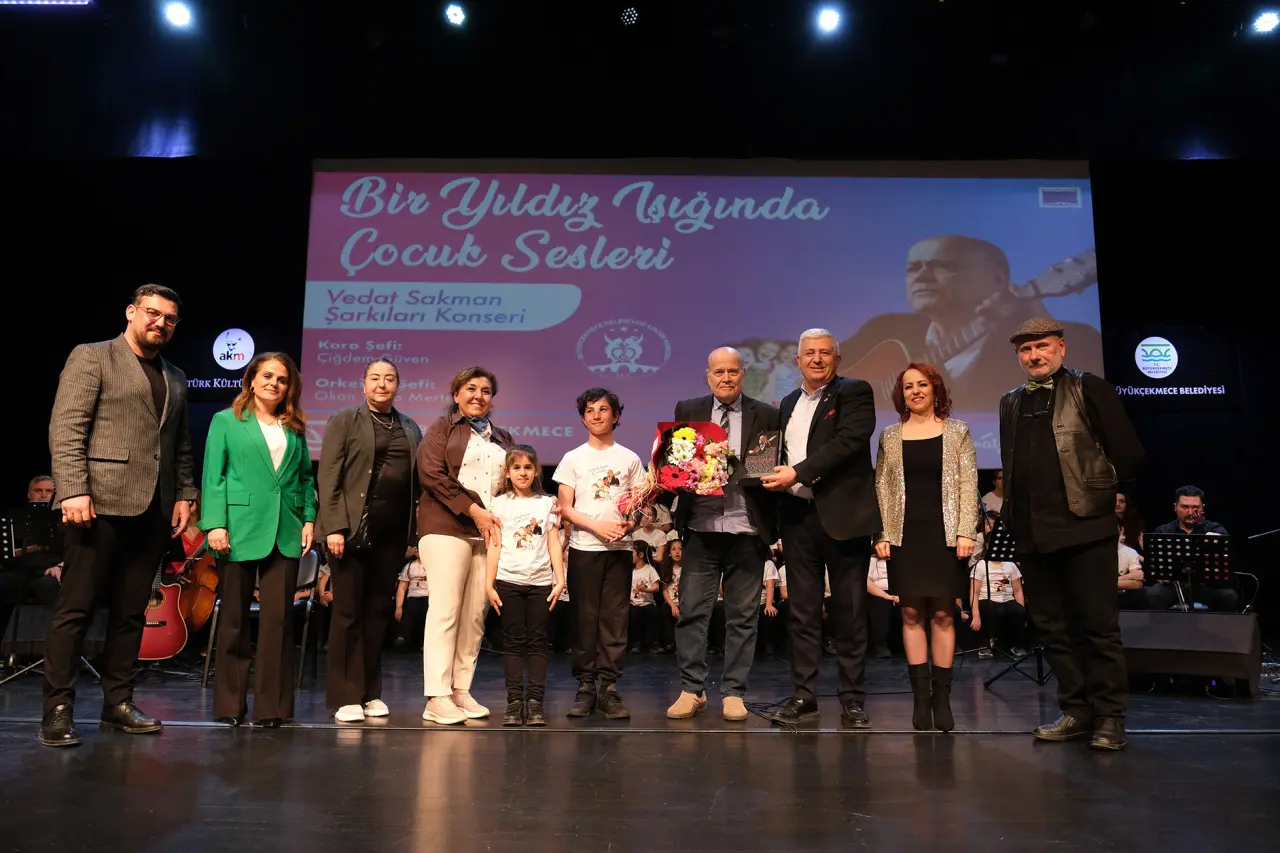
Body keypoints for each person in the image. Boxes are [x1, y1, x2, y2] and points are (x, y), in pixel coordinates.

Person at [41, 284, 198, 748]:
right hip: (96, 505)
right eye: (152, 313)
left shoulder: (175, 375)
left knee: (131, 613)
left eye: (169, 318)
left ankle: (118, 704)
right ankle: (57, 710)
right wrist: (73, 489)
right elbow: (67, 427)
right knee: (75, 610)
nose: (160, 323)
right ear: (131, 312)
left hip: (152, 508)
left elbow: (180, 445)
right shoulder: (93, 356)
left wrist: (185, 493)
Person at [999, 317, 1144, 751]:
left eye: (1042, 346)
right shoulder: (1010, 401)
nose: (1034, 356)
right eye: (1026, 350)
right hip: (1033, 533)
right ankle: (1077, 711)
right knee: (1054, 629)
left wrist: (1101, 491)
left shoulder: (1087, 387)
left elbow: (1128, 453)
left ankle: (1110, 716)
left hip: (1085, 526)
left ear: (1061, 347)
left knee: (1098, 627)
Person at [760, 329, 881, 727]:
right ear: (797, 361)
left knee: (850, 612)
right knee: (803, 613)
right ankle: (804, 696)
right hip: (798, 519)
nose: (816, 359)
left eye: (824, 353)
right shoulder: (788, 402)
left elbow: (848, 441)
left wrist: (797, 472)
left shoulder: (854, 391)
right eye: (809, 353)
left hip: (844, 518)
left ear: (837, 359)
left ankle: (852, 699)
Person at [838, 236, 1104, 412]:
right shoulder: (885, 329)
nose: (922, 276)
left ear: (998, 281)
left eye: (943, 266)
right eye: (913, 268)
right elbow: (826, 373)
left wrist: (1031, 313)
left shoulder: (1075, 339)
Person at [665, 347, 780, 722]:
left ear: (743, 374)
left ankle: (733, 693)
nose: (726, 378)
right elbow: (678, 464)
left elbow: (766, 470)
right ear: (708, 375)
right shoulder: (689, 409)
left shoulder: (767, 413)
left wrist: (732, 463)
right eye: (719, 372)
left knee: (743, 617)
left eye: (733, 371)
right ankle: (692, 690)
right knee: (692, 614)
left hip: (747, 528)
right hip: (701, 528)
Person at [201, 352, 316, 727]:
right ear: (251, 379)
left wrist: (309, 518)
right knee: (234, 621)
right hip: (238, 529)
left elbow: (305, 479)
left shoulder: (295, 427)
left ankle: (273, 708)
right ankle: (230, 705)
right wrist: (215, 524)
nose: (274, 384)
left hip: (285, 530)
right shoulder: (226, 421)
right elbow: (213, 477)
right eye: (267, 376)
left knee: (278, 625)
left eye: (282, 379)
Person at [873, 363, 980, 732]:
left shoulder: (957, 431)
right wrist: (882, 535)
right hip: (905, 535)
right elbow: (881, 488)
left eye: (922, 384)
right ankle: (920, 698)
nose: (915, 391)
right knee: (910, 613)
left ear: (935, 389)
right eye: (908, 386)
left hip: (945, 534)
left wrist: (966, 531)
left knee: (944, 614)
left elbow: (968, 484)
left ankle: (942, 698)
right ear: (901, 394)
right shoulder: (889, 436)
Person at [317, 358, 423, 724]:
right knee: (347, 611)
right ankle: (346, 695)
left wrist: (414, 533)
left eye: (389, 378)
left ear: (398, 386)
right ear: (363, 385)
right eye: (375, 378)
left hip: (390, 535)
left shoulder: (409, 427)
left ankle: (370, 692)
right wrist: (333, 526)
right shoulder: (345, 420)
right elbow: (329, 476)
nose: (382, 384)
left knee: (378, 612)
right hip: (349, 533)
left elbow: (416, 484)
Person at [416, 366, 513, 725]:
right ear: (456, 394)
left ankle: (460, 690)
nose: (478, 396)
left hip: (487, 533)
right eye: (470, 389)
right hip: (446, 527)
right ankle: (437, 695)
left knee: (474, 615)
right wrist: (474, 511)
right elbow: (431, 474)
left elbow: (512, 483)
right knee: (446, 611)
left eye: (485, 391)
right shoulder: (442, 428)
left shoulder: (503, 437)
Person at [554, 388, 644, 720]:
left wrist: (630, 525)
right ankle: (585, 686)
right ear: (583, 418)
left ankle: (609, 687)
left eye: (603, 409)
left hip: (618, 550)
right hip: (584, 548)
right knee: (584, 618)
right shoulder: (573, 458)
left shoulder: (630, 458)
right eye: (590, 410)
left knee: (615, 620)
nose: (596, 415)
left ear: (616, 416)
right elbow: (565, 508)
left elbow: (639, 506)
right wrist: (596, 526)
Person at [484, 445, 565, 728]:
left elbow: (553, 543)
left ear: (536, 471)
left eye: (528, 467)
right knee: (513, 643)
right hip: (508, 581)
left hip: (540, 583)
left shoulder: (547, 503)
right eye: (516, 467)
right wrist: (489, 584)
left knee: (538, 643)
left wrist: (560, 578)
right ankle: (514, 702)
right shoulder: (498, 504)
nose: (522, 472)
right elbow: (494, 545)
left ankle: (535, 703)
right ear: (507, 473)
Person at [1147, 485, 1238, 612]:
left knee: (1228, 597)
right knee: (1152, 595)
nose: (1190, 512)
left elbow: (1224, 550)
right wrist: (1159, 575)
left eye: (1196, 508)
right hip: (1174, 586)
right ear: (1175, 507)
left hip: (1205, 586)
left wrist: (1217, 540)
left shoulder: (1214, 528)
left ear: (1202, 508)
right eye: (1185, 507)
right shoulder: (1163, 531)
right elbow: (1154, 567)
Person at [1, 476, 63, 643]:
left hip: (51, 570)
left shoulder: (64, 517)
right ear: (29, 494)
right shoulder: (15, 516)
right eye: (38, 491)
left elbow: (73, 549)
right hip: (20, 569)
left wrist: (60, 565)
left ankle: (44, 645)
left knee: (47, 586)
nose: (43, 495)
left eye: (48, 491)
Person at [968, 513, 1028, 653]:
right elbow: (974, 592)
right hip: (987, 599)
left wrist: (1022, 610)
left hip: (1007, 599)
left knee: (1017, 611)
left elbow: (1018, 590)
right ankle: (987, 643)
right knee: (996, 610)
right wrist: (975, 616)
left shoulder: (1010, 565)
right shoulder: (981, 565)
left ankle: (1016, 645)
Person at [628, 542, 661, 655]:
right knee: (633, 615)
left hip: (647, 603)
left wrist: (645, 589)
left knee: (652, 614)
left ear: (641, 555)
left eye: (632, 552)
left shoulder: (649, 569)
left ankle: (653, 643)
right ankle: (636, 643)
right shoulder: (630, 571)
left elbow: (656, 587)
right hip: (633, 603)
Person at [395, 547, 428, 650]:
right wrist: (398, 607)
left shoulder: (433, 565)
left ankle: (425, 643)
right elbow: (402, 588)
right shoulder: (409, 566)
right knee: (409, 615)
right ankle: (403, 640)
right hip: (413, 597)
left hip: (428, 596)